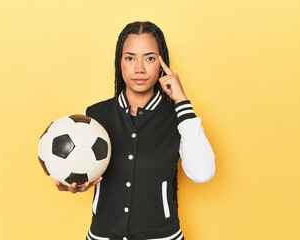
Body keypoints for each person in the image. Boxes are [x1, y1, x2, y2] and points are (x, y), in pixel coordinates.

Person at [55, 21, 216, 240]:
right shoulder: (94, 115)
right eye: (130, 58)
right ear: (119, 62)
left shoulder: (178, 116)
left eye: (149, 58)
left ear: (162, 64)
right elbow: (87, 169)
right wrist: (76, 181)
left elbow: (202, 173)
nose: (139, 68)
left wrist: (182, 101)